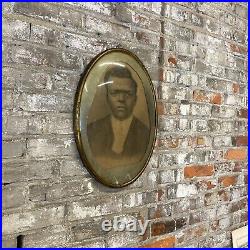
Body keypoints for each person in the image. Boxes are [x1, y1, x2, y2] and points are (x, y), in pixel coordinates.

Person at [87, 66, 150, 168]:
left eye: (128, 93)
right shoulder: (91, 131)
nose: (121, 99)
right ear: (107, 97)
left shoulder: (145, 133)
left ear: (135, 99)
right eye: (115, 93)